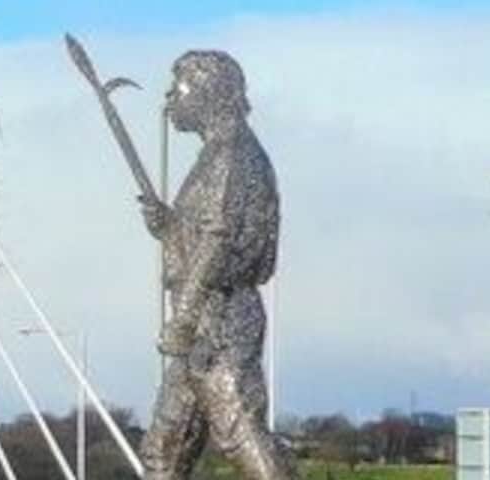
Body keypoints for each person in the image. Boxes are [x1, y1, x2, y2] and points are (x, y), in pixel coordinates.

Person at [135, 50, 296, 480]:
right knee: (163, 450)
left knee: (240, 434)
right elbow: (204, 236)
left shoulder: (233, 157)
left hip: (220, 321)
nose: (170, 98)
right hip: (203, 324)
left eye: (179, 89)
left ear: (209, 93)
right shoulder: (215, 157)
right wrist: (170, 226)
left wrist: (185, 318)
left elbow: (218, 243)